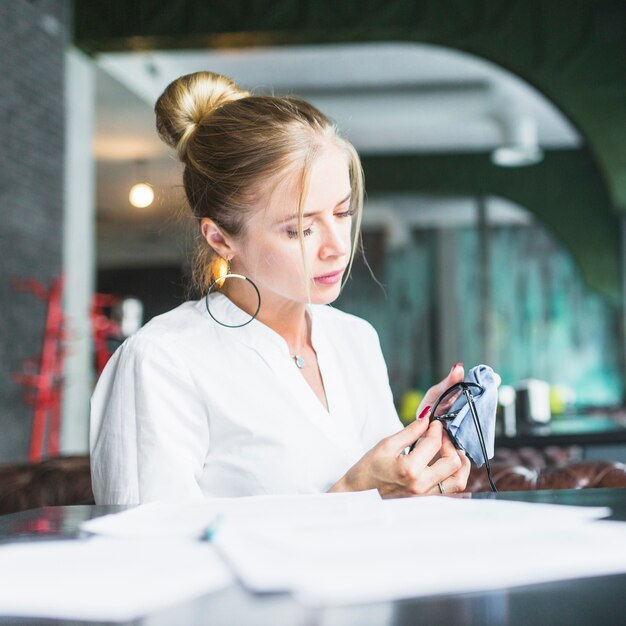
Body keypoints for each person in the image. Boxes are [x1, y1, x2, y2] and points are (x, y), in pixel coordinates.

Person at [89, 71, 472, 505]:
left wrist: (423, 458)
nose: (335, 247)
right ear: (220, 238)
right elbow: (152, 555)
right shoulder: (162, 362)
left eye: (342, 213)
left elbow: (387, 514)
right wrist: (348, 495)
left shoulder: (356, 339)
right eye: (300, 229)